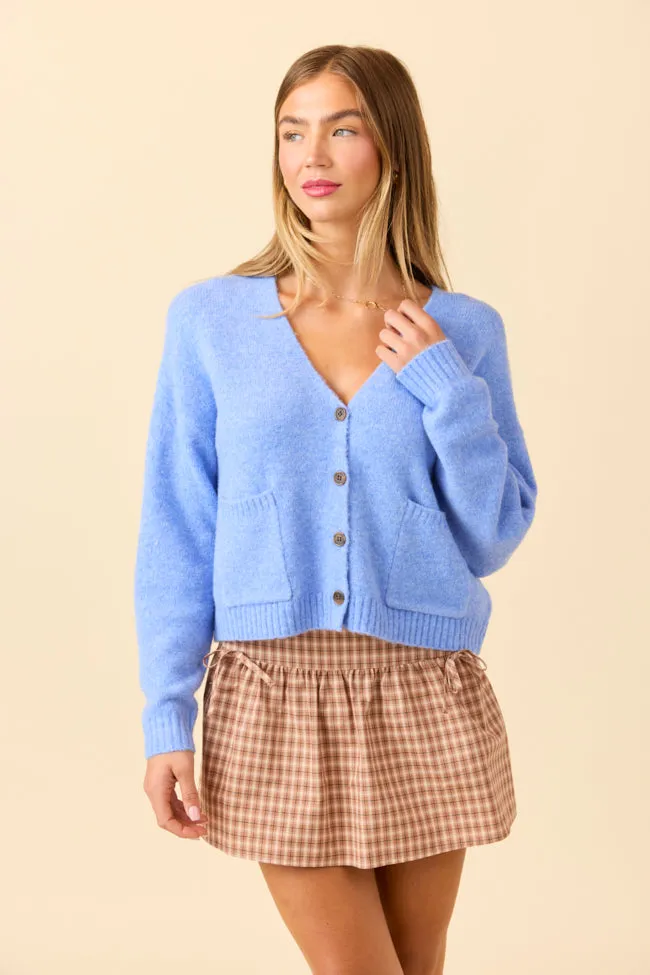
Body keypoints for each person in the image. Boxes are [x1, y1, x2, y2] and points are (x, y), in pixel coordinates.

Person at [134, 44, 538, 975]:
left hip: (422, 689)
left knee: (417, 964)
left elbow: (492, 533)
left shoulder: (464, 330)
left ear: (391, 146)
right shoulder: (211, 322)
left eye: (342, 129)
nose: (311, 155)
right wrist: (166, 714)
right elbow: (177, 527)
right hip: (274, 692)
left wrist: (447, 389)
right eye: (292, 132)